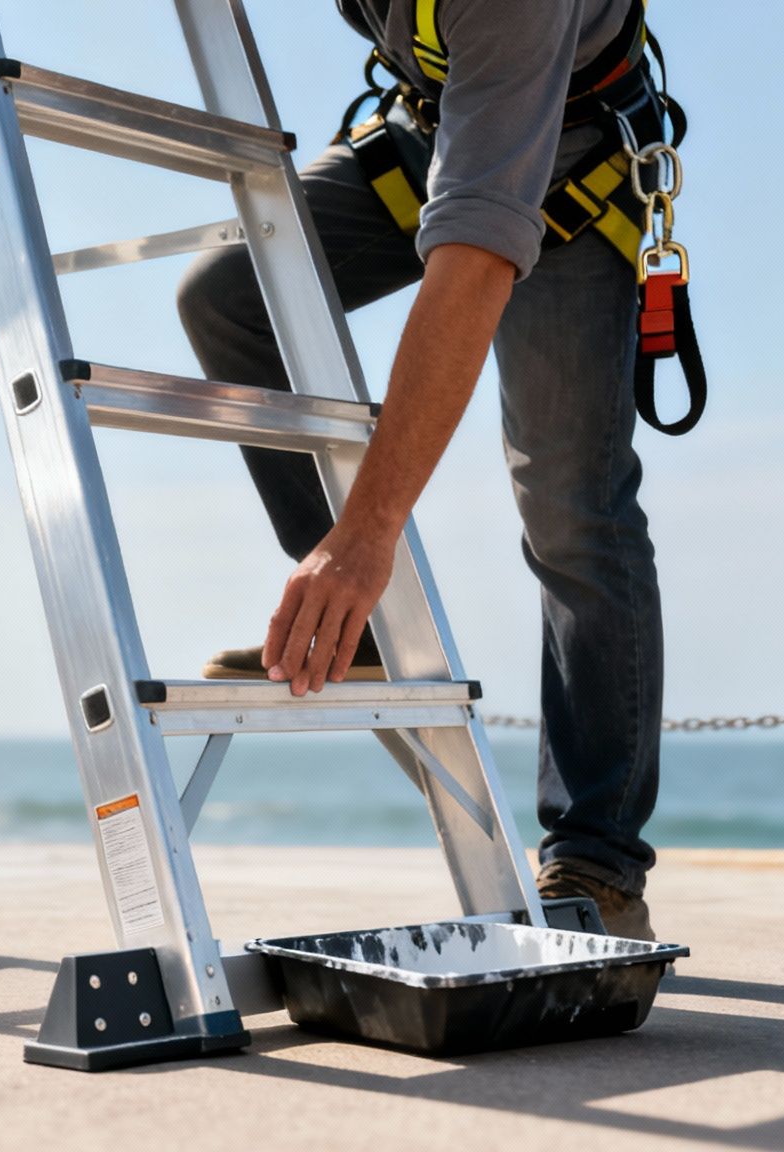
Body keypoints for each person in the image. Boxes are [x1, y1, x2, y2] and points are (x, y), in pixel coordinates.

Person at [177, 0, 682, 939]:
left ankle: (598, 859)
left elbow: (476, 256)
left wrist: (365, 537)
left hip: (567, 154)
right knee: (229, 297)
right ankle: (360, 640)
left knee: (572, 510)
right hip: (433, 125)